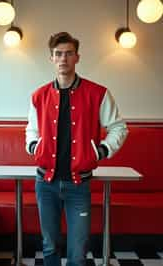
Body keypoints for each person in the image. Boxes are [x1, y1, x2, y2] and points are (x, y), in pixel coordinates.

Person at [26, 32, 128, 266]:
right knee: (49, 246)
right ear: (51, 58)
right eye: (58, 54)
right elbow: (31, 130)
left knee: (78, 253)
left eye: (69, 53)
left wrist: (100, 151)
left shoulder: (98, 93)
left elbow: (119, 128)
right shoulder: (38, 96)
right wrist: (34, 145)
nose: (64, 58)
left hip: (78, 186)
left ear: (77, 57)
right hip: (45, 184)